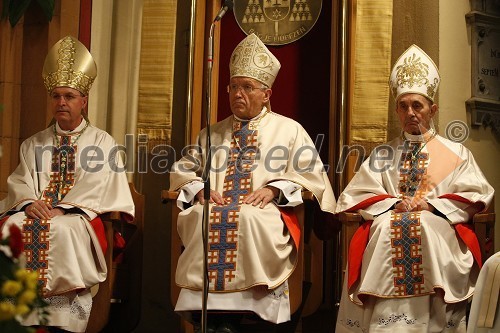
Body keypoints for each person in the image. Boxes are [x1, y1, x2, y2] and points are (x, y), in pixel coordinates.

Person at [169, 33, 336, 333]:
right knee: (201, 215)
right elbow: (184, 171)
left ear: (267, 94)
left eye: (247, 87)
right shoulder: (211, 134)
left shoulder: (289, 130)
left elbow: (312, 176)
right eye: (234, 87)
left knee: (247, 218)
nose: (237, 94)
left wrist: (275, 188)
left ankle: (252, 313)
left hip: (265, 212)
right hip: (217, 207)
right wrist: (200, 190)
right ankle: (216, 319)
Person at [334, 44, 494, 332]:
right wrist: (393, 203)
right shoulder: (383, 154)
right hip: (389, 223)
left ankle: (431, 325)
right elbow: (356, 195)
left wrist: (431, 206)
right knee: (385, 228)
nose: (410, 112)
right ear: (396, 109)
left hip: (439, 228)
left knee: (425, 228)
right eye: (403, 106)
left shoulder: (454, 152)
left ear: (432, 110)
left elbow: (476, 194)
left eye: (417, 105)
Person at [0, 36, 135, 332]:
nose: (61, 102)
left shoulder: (102, 142)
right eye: (56, 96)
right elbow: (21, 181)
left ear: (83, 101)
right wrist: (28, 203)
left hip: (79, 217)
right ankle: (19, 314)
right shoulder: (34, 143)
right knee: (12, 226)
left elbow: (100, 187)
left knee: (63, 229)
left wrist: (64, 208)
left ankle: (62, 322)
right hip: (39, 212)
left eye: (69, 96)